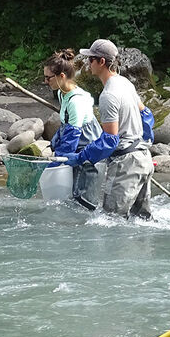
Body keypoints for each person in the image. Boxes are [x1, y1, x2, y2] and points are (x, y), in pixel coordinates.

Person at [57, 39, 156, 219]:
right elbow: (147, 115)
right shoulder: (125, 83)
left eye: (91, 59)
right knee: (142, 221)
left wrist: (81, 157)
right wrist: (144, 142)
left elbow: (110, 140)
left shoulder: (108, 96)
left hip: (126, 165)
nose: (88, 64)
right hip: (144, 160)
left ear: (101, 62)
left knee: (111, 221)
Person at [43, 49, 103, 211]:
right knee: (71, 196)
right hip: (76, 146)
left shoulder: (76, 101)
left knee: (82, 198)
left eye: (48, 78)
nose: (45, 81)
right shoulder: (63, 93)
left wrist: (58, 161)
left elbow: (72, 135)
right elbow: (66, 125)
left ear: (61, 76)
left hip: (88, 153)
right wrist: (55, 143)